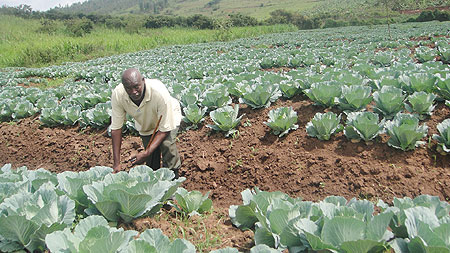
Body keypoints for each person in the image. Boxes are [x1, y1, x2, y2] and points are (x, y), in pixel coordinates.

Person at [110, 68, 182, 176]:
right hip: (146, 122)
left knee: (167, 145)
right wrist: (116, 163)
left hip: (168, 115)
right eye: (128, 88)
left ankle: (173, 178)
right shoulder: (118, 95)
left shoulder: (159, 93)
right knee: (151, 156)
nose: (134, 92)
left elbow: (164, 129)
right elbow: (116, 128)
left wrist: (146, 152)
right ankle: (153, 182)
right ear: (124, 87)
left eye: (136, 86)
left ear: (143, 80)